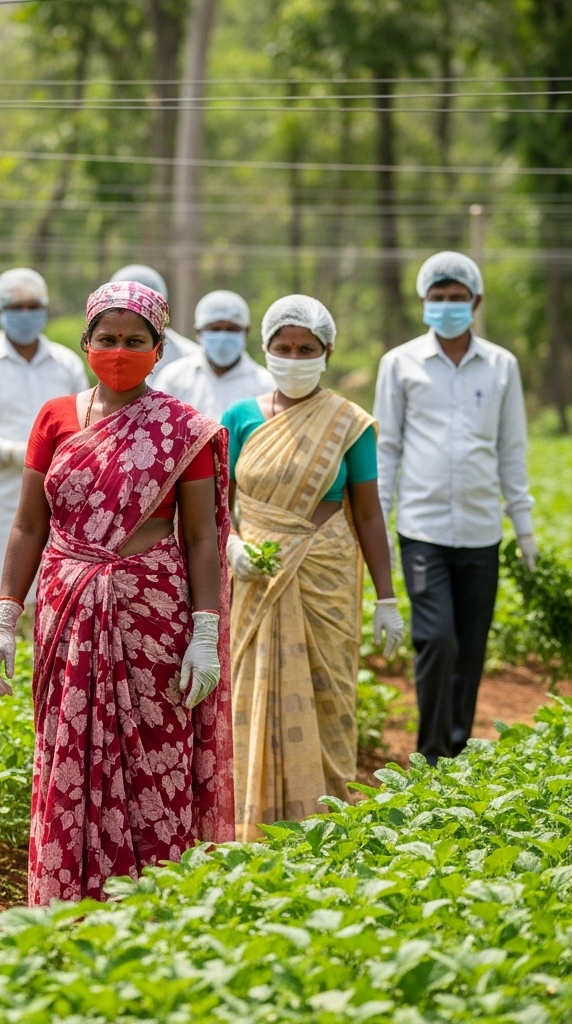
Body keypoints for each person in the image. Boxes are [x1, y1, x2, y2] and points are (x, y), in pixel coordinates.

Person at [0, 280, 235, 905]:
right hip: (69, 610)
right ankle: (71, 898)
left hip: (153, 613)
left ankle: (158, 897)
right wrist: (4, 617)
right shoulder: (56, 418)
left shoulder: (184, 430)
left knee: (156, 753)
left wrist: (205, 633)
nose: (118, 351)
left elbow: (201, 537)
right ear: (85, 343)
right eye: (106, 339)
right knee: (70, 748)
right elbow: (27, 525)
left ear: (159, 349)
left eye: (134, 341)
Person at [222, 294, 404, 842]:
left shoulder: (350, 424)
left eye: (307, 348)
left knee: (328, 696)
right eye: (284, 347)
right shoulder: (240, 417)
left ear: (327, 352)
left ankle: (321, 823)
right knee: (248, 692)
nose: (295, 356)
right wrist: (232, 547)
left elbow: (369, 514)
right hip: (254, 577)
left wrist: (388, 598)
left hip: (324, 572)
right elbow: (216, 503)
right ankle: (251, 823)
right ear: (267, 349)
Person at [374, 251, 536, 765]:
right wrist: (381, 526)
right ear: (424, 301)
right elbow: (388, 448)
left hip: (482, 529)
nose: (447, 306)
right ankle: (431, 752)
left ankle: (459, 750)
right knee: (437, 639)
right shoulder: (399, 364)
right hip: (422, 529)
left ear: (476, 301)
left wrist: (525, 528)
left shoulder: (502, 365)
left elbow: (512, 450)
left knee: (469, 648)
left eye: (457, 298)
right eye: (437, 298)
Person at [0, 268, 88, 648]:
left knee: (53, 589)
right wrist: (10, 451)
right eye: (16, 306)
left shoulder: (67, 364)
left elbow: (87, 420)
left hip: (57, 493)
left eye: (33, 306)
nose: (25, 313)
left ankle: (46, 665)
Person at [153, 289, 274, 419]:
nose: (223, 336)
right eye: (215, 329)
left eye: (231, 329)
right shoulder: (174, 378)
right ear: (199, 332)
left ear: (246, 332)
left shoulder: (265, 385)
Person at [109, 264, 198, 381]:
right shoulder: (103, 351)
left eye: (146, 308)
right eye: (124, 308)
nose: (135, 316)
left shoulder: (190, 357)